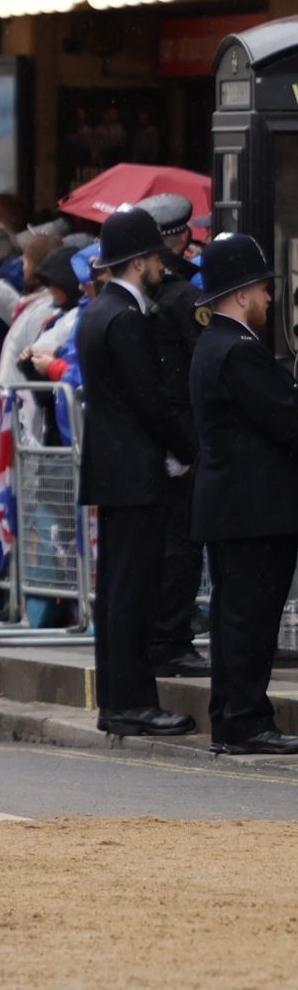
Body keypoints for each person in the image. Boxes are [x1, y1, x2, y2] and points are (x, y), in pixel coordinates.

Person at [74, 205, 199, 739]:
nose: (161, 269)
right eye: (155, 260)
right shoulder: (126, 318)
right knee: (134, 593)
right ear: (141, 261)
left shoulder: (99, 311)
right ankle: (132, 703)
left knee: (119, 591)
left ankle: (120, 701)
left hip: (115, 467)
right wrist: (187, 448)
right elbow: (149, 401)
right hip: (135, 469)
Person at [185, 236, 298, 755]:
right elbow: (286, 419)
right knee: (249, 620)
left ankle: (231, 718)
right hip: (254, 509)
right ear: (241, 294)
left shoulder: (215, 345)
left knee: (234, 617)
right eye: (262, 289)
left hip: (232, 505)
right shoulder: (238, 350)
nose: (269, 299)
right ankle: (246, 719)